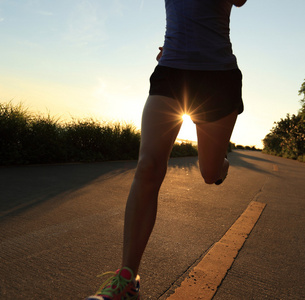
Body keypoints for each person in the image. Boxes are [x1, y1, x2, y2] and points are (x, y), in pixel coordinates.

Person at [86, 0, 247, 299]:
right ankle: (126, 279)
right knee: (148, 165)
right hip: (171, 70)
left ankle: (221, 164)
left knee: (210, 173)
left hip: (218, 76)